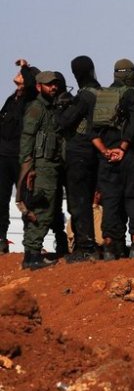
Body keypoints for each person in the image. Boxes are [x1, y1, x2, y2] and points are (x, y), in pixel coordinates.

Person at [90, 59, 134, 259]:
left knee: (110, 199)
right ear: (129, 76)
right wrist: (123, 147)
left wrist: (105, 151)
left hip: (106, 157)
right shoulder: (132, 94)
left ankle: (111, 246)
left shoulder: (101, 96)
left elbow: (92, 131)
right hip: (131, 155)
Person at [17, 71, 64, 269]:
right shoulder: (37, 109)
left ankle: (31, 254)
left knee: (42, 208)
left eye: (54, 84)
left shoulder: (51, 108)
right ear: (39, 87)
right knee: (42, 209)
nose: (53, 88)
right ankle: (33, 255)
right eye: (48, 85)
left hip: (49, 165)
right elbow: (27, 138)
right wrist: (29, 168)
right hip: (41, 166)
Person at [56, 56, 102, 261]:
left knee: (79, 202)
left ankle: (85, 247)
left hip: (80, 152)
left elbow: (64, 122)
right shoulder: (102, 93)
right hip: (98, 152)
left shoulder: (84, 97)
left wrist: (60, 106)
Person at [1, 60, 38, 254]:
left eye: (22, 73)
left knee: (25, 200)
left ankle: (30, 243)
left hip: (20, 158)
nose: (19, 74)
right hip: (3, 157)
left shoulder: (30, 100)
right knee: (1, 200)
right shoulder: (11, 99)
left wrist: (26, 66)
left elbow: (32, 84)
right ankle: (1, 240)